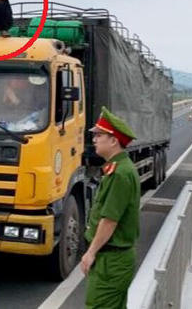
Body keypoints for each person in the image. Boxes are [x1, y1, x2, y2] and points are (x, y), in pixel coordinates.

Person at [80, 106, 140, 309]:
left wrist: (90, 252)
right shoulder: (119, 168)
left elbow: (109, 220)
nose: (94, 139)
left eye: (99, 135)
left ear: (113, 140)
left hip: (111, 261)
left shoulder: (120, 174)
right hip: (113, 259)